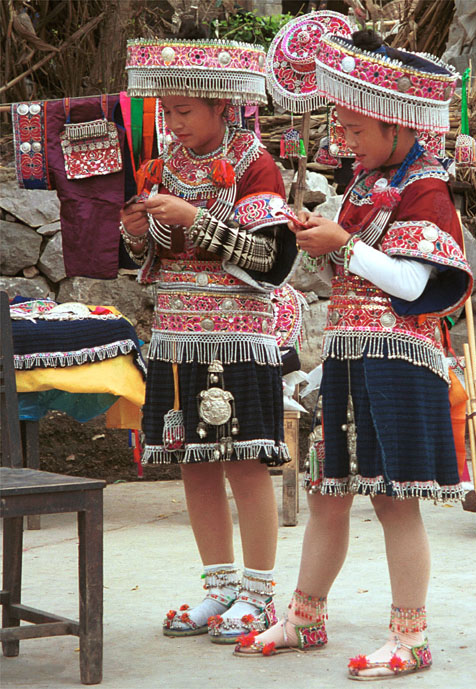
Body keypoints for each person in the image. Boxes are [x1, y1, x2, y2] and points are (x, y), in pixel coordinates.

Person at [234, 30, 473, 679]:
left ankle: (411, 635)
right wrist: (322, 238)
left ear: (396, 121)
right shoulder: (368, 182)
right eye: (340, 122)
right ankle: (304, 616)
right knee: (329, 489)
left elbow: (415, 285)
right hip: (348, 353)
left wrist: (341, 245)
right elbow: (355, 260)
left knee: (396, 498)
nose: (344, 138)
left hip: (398, 358)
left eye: (354, 124)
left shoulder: (425, 189)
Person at [121, 27, 297, 644]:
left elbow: (272, 261)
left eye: (184, 111)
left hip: (239, 334)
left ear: (223, 107)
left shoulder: (255, 163)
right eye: (166, 111)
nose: (172, 124)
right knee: (193, 462)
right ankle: (219, 587)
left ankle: (260, 592)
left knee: (245, 461)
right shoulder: (164, 164)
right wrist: (140, 230)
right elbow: (159, 256)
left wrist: (195, 216)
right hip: (175, 331)